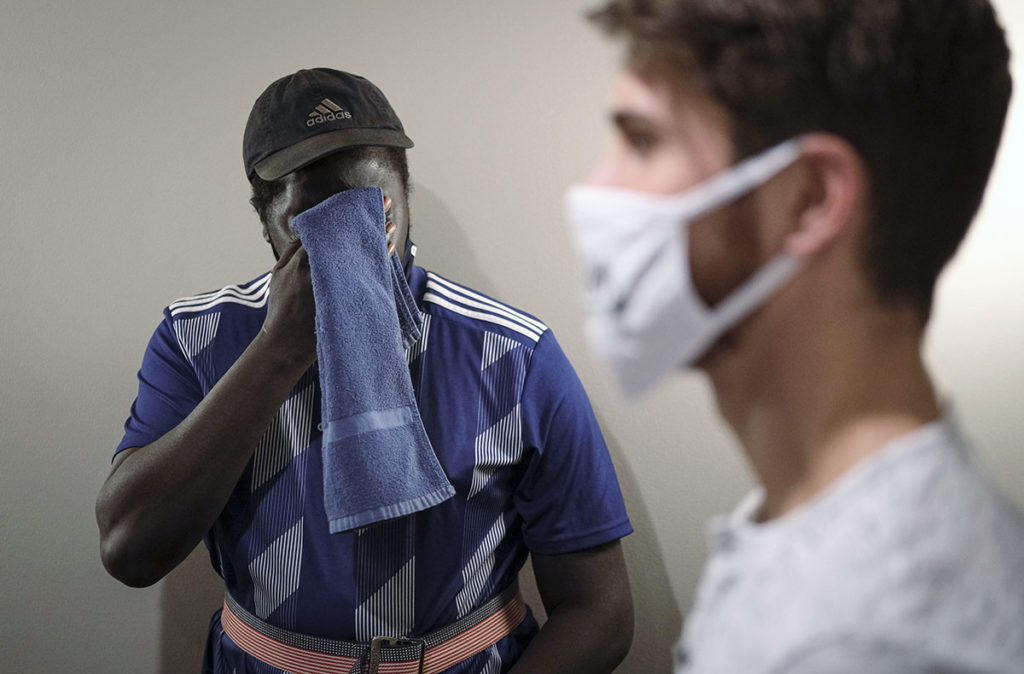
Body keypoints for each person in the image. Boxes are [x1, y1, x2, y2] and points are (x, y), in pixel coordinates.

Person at [97, 68, 633, 674]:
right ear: (267, 223)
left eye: (370, 211)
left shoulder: (513, 355)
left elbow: (600, 612)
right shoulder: (196, 340)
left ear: (403, 199)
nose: (347, 245)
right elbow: (129, 552)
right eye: (316, 223)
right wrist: (278, 351)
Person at [566, 0, 1024, 672]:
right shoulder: (823, 525)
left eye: (642, 141)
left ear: (808, 199)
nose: (596, 186)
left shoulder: (871, 641)